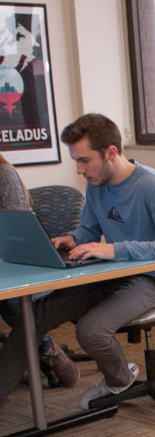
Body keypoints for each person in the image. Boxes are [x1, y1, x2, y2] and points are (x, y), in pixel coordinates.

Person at [0, 114, 155, 411]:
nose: (79, 170)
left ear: (111, 152)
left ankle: (119, 379)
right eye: (76, 161)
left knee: (90, 330)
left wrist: (113, 249)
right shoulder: (97, 184)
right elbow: (88, 230)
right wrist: (72, 238)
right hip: (110, 273)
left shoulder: (151, 185)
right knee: (34, 318)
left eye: (85, 160)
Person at [0, 151, 80, 388]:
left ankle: (47, 349)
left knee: (9, 300)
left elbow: (14, 236)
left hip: (22, 269)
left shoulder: (4, 175)